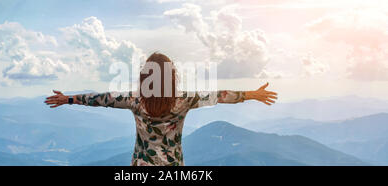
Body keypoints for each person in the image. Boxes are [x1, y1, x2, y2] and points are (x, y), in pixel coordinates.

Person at [45, 52, 277, 166]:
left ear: (145, 77)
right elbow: (220, 96)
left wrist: (70, 99)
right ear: (171, 77)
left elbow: (101, 99)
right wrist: (252, 95)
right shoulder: (183, 100)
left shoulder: (135, 101)